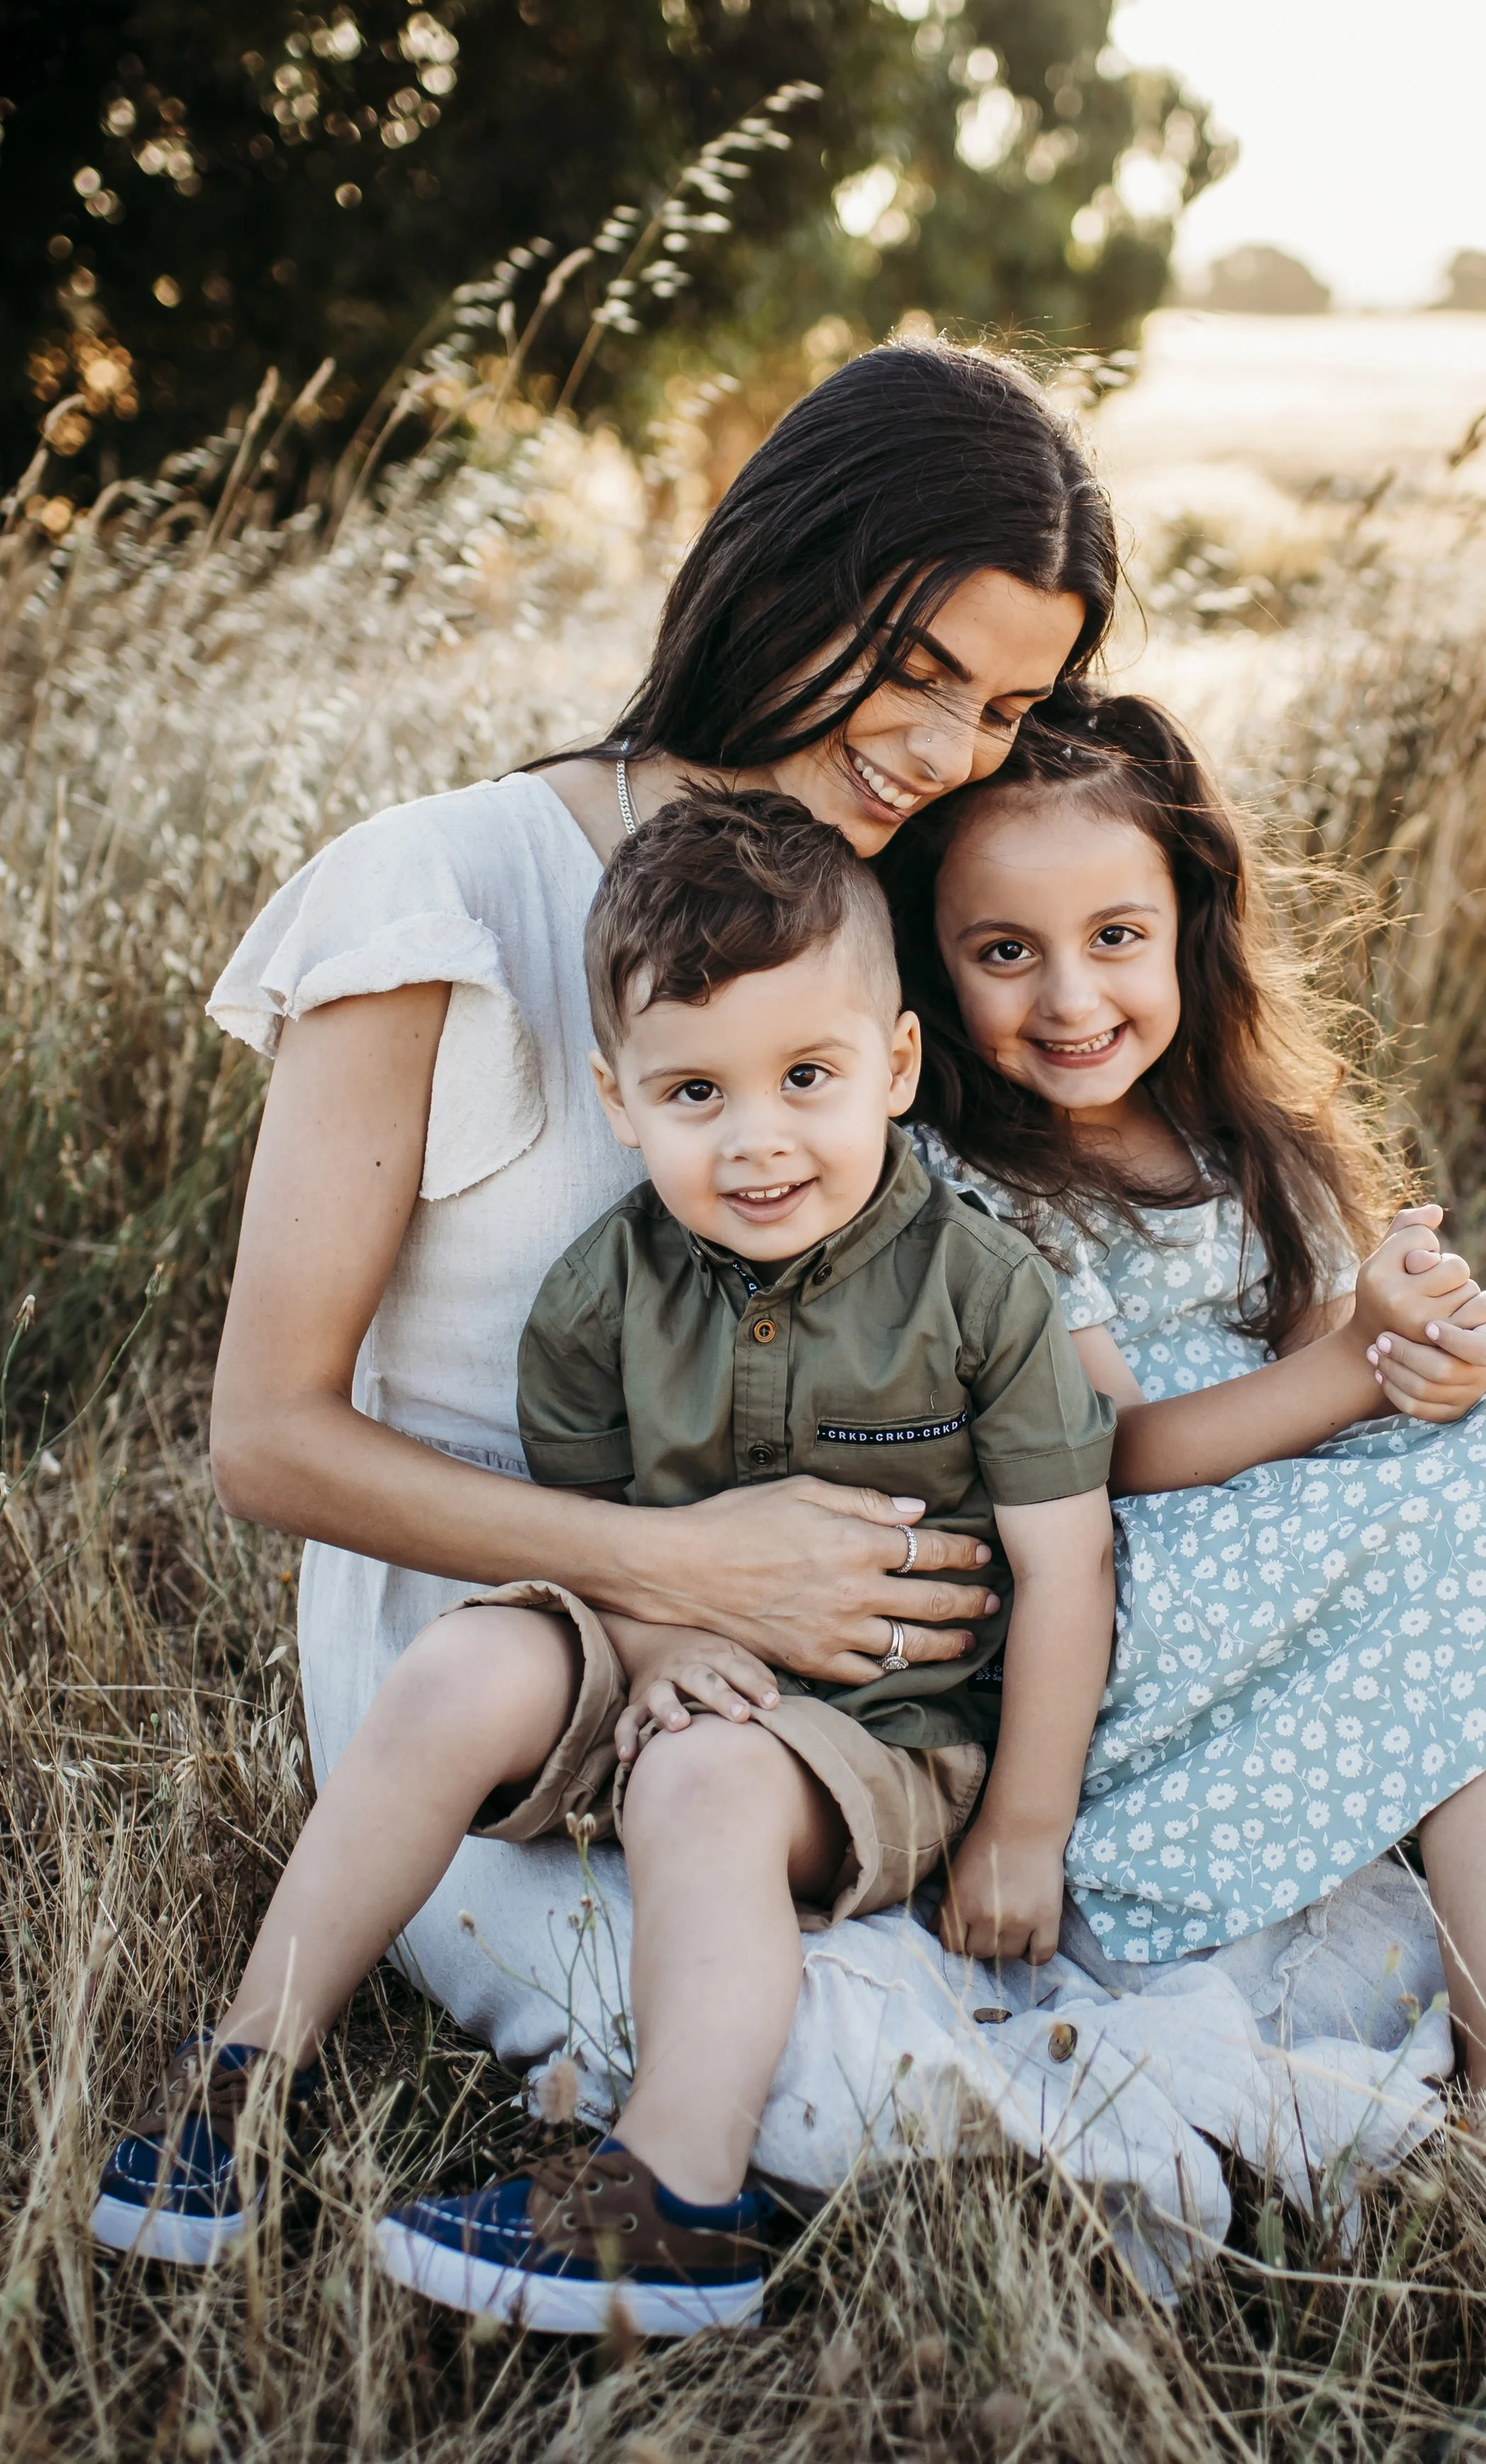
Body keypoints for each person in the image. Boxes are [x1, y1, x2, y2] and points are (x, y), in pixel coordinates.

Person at [86, 340, 1112, 2283]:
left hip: (831, 1698)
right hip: (496, 1658)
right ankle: (245, 2082)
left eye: (1007, 702)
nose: (949, 747)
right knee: (862, 2093)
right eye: (916, 672)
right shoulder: (445, 893)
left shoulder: (889, 907)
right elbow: (266, 1434)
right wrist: (674, 1576)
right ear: (780, 573)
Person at [884, 687, 1486, 2301]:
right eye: (1005, 952)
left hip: (1237, 1565)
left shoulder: (1239, 1137)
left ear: (1189, 932)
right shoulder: (973, 1187)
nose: (1071, 996)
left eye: (1115, 936)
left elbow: (1331, 1381)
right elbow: (1113, 1456)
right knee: (1481, 1491)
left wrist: (1429, 1352)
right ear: (933, 970)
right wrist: (1358, 1368)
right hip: (1109, 1612)